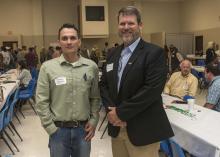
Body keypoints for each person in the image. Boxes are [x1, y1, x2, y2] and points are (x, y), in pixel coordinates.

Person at [100, 6, 173, 157]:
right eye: (122, 23)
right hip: (117, 129)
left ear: (140, 25)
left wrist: (120, 113)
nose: (126, 27)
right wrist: (111, 111)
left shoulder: (154, 53)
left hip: (143, 130)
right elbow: (104, 85)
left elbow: (151, 90)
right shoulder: (112, 54)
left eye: (131, 23)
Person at [36, 23, 100, 157]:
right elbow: (41, 101)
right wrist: (50, 128)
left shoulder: (91, 67)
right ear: (59, 42)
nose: (69, 42)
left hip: (83, 130)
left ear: (79, 42)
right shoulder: (47, 68)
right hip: (58, 131)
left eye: (72, 38)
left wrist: (94, 121)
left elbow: (95, 97)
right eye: (64, 38)